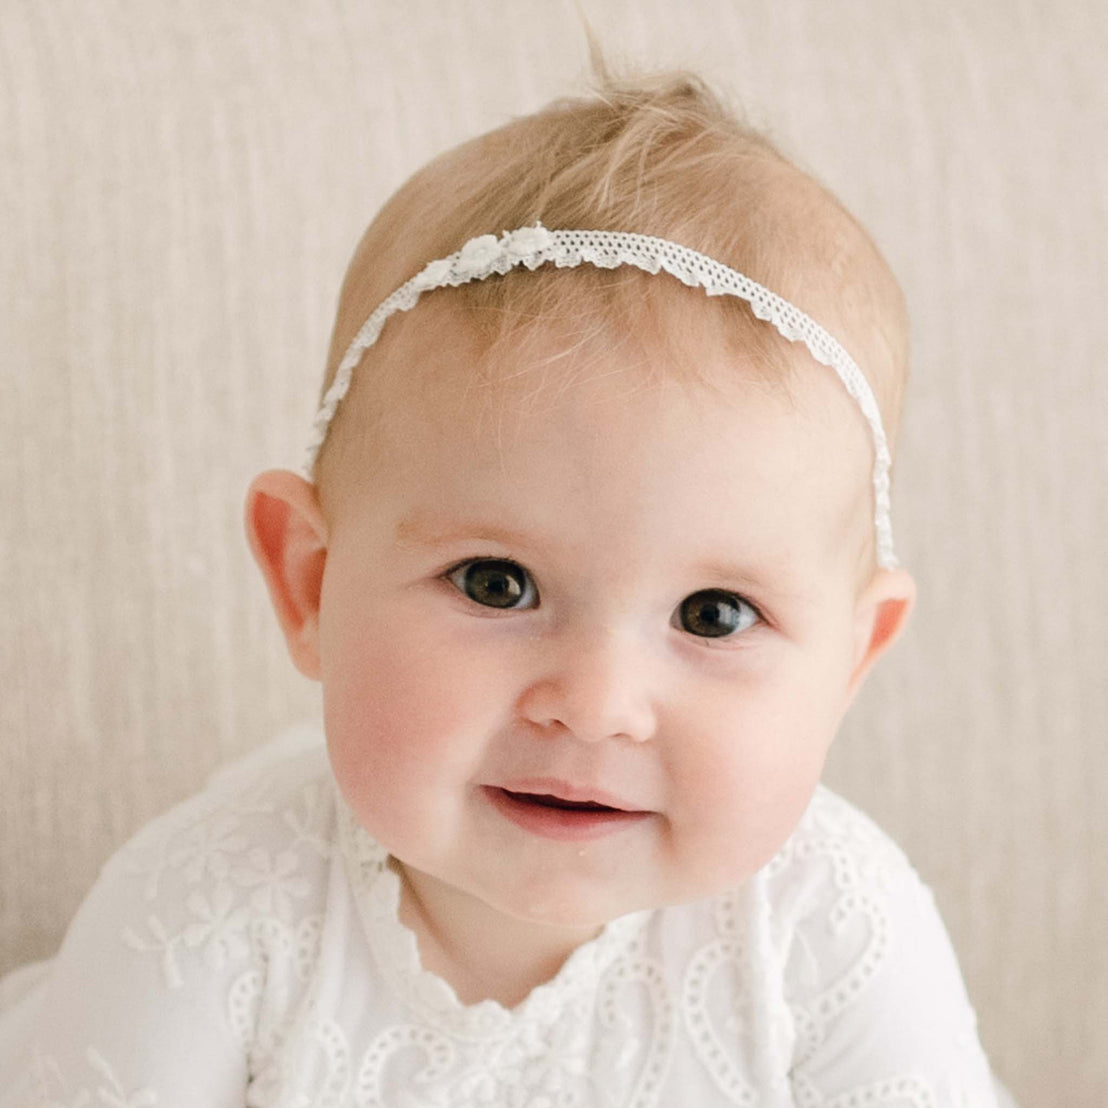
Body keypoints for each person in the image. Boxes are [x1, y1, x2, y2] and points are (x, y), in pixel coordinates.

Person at [0, 62, 1013, 1106]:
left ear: (850, 660)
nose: (595, 702)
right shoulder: (212, 911)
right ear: (311, 581)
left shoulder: (834, 929)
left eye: (713, 614)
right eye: (496, 583)